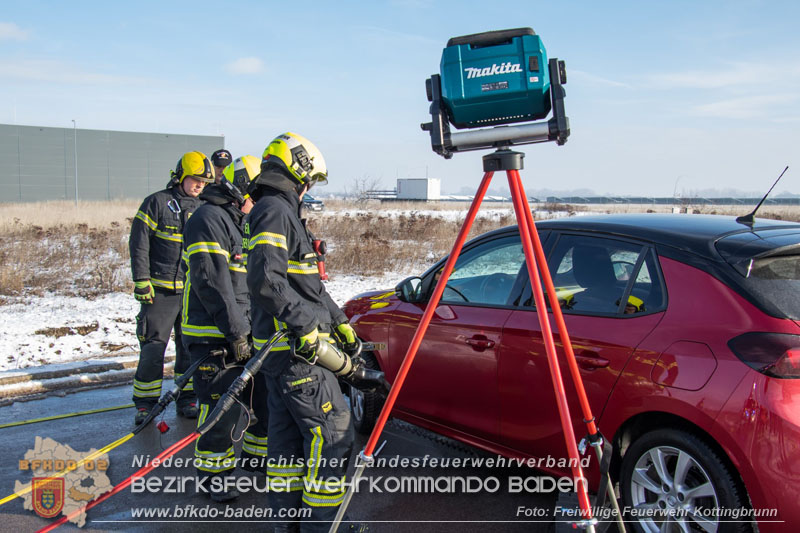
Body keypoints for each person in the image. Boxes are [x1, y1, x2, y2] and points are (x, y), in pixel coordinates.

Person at [245, 133, 362, 532]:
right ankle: (324, 526)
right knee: (333, 437)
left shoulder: (279, 210)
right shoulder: (275, 210)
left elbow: (307, 284)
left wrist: (340, 321)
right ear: (298, 172)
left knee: (288, 447)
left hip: (284, 357)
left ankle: (288, 526)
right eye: (310, 179)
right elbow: (265, 281)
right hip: (298, 355)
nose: (309, 188)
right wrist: (307, 329)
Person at [181, 155, 269, 501]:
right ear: (239, 189)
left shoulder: (238, 221)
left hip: (243, 331)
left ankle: (257, 460)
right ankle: (214, 475)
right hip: (213, 334)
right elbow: (211, 281)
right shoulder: (207, 219)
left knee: (259, 399)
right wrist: (236, 332)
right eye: (256, 193)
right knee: (221, 405)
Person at [128, 151, 214, 425]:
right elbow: (139, 242)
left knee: (188, 348)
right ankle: (145, 405)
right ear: (180, 176)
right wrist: (141, 280)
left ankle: (187, 398)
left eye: (203, 181)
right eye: (195, 179)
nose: (199, 185)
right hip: (160, 292)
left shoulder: (205, 207)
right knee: (154, 349)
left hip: (192, 293)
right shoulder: (157, 203)